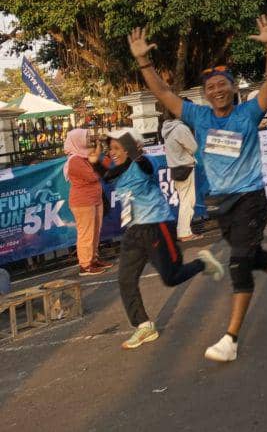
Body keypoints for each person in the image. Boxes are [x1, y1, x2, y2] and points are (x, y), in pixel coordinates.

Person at [128, 16, 267, 363]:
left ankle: (231, 338)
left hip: (250, 199)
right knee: (253, 256)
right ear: (206, 94)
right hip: (220, 203)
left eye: (222, 84)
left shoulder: (248, 114)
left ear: (233, 88)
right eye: (211, 86)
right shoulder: (198, 117)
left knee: (240, 265)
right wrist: (143, 60)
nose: (216, 90)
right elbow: (164, 93)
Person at [103, 128, 224, 350]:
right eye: (110, 148)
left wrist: (134, 151)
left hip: (156, 226)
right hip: (133, 231)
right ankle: (143, 325)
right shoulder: (117, 171)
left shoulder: (145, 163)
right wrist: (94, 162)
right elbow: (105, 175)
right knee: (125, 279)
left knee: (171, 278)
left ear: (132, 148)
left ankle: (202, 263)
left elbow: (145, 166)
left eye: (117, 148)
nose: (112, 153)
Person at [63, 129, 112, 275]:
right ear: (77, 140)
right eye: (85, 137)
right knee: (86, 233)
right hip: (83, 202)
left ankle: (93, 259)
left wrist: (98, 153)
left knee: (95, 231)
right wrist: (97, 161)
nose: (88, 139)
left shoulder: (84, 156)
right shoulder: (75, 161)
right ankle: (85, 265)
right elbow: (93, 176)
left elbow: (101, 168)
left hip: (94, 199)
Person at [162, 109, 199, 241]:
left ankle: (183, 231)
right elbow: (194, 147)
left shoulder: (166, 129)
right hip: (185, 167)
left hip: (174, 168)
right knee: (187, 202)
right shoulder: (181, 128)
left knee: (184, 201)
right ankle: (184, 232)